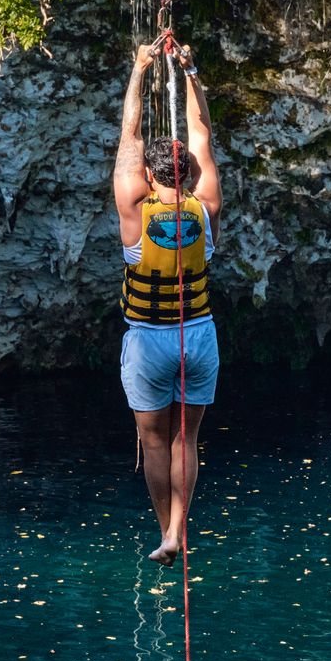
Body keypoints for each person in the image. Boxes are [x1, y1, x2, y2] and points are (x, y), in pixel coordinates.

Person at [113, 40, 221, 565]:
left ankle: (166, 534)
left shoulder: (134, 206)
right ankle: (181, 525)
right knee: (187, 439)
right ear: (190, 175)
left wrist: (140, 70)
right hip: (197, 335)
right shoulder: (206, 207)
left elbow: (129, 136)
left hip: (149, 341)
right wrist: (190, 72)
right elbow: (201, 135)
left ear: (152, 176)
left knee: (155, 443)